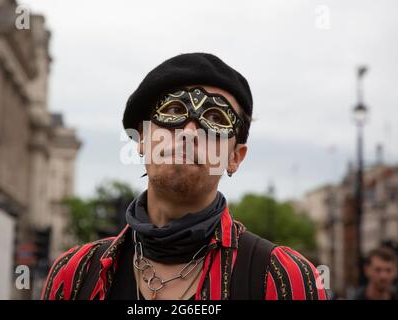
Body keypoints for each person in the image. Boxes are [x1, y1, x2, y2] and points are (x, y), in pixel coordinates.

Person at [41, 53, 327, 300]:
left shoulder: (283, 279)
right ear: (141, 139)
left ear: (234, 157)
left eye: (215, 118)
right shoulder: (75, 275)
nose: (190, 132)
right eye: (174, 110)